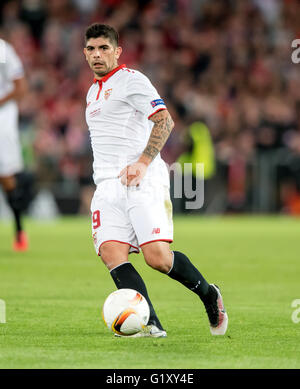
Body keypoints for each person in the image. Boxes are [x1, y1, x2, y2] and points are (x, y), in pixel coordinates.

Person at [83, 23, 228, 337]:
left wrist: (143, 162)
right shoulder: (92, 93)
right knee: (111, 253)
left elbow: (165, 120)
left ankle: (208, 294)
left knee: (158, 258)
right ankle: (151, 324)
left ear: (117, 51)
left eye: (104, 48)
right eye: (92, 49)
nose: (97, 54)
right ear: (85, 53)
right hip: (107, 186)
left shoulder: (132, 80)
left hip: (142, 179)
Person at [0, 37, 29, 251]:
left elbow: (20, 87)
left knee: (6, 176)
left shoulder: (2, 50)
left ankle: (19, 231)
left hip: (2, 118)